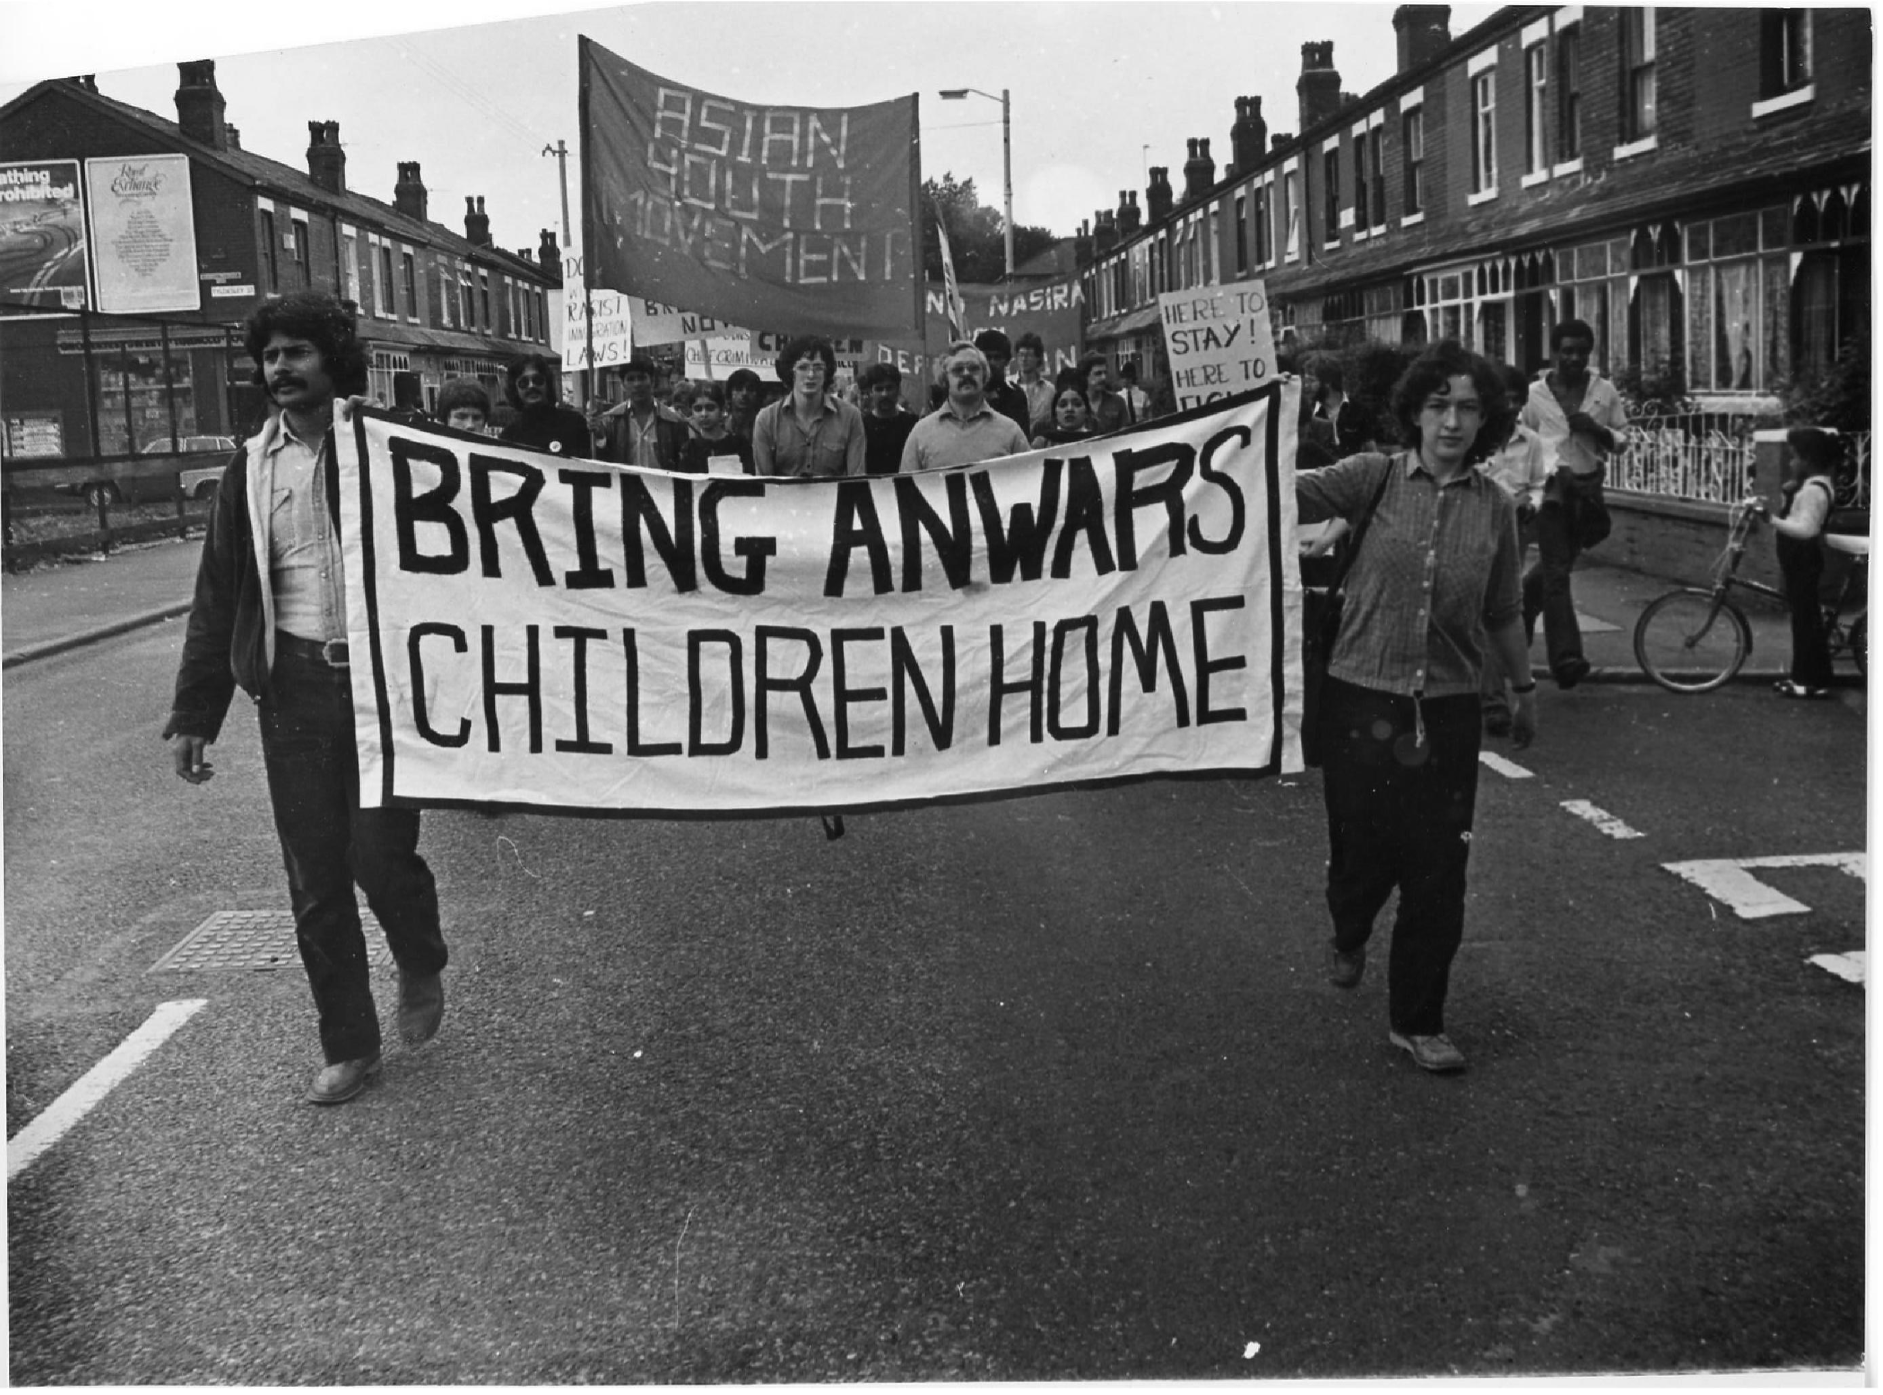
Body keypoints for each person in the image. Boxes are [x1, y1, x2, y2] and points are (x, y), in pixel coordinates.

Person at [163, 291, 449, 1106]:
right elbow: (219, 593)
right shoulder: (250, 469)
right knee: (315, 877)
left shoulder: (389, 447)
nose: (280, 368)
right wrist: (195, 715)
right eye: (270, 356)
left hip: (380, 685)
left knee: (379, 858)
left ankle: (420, 956)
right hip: (292, 687)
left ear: (333, 359)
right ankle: (350, 1045)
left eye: (297, 352)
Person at [1295, 339, 1534, 1075]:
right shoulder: (1369, 477)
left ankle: (1418, 1020)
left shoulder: (1495, 508)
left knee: (1438, 869)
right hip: (1361, 700)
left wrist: (1522, 689)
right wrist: (1257, 421)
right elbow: (1277, 491)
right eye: (1438, 405)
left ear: (1487, 420)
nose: (1452, 422)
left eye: (1468, 408)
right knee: (1362, 853)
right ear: (1415, 412)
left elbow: (1503, 611)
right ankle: (1349, 927)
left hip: (1448, 710)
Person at [1520, 319, 1629, 689]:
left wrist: (1596, 429)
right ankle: (1566, 658)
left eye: (1582, 351)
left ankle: (1521, 612)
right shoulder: (1534, 394)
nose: (1574, 358)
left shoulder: (1604, 391)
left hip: (1587, 491)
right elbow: (1521, 440)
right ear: (1555, 352)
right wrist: (1549, 469)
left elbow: (1622, 440)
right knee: (1556, 571)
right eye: (1567, 351)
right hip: (1551, 492)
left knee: (1559, 566)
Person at [1476, 362, 1550, 734]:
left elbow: (1538, 483)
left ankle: (1493, 691)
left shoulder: (1531, 442)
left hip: (1514, 532)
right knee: (1486, 611)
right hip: (1476, 528)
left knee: (1502, 609)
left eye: (1516, 400)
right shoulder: (1477, 439)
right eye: (1503, 399)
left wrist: (1533, 503)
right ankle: (1493, 702)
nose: (1510, 407)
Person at [1762, 427, 1843, 698]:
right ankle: (1803, 677)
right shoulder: (1811, 487)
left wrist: (1770, 519)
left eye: (1794, 457)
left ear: (1808, 460)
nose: (1791, 462)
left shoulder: (1814, 491)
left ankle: (1810, 680)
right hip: (1800, 560)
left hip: (1803, 560)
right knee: (1803, 620)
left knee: (1806, 622)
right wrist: (1790, 493)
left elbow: (1806, 529)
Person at [901, 341, 1031, 473]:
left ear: (984, 375)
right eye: (958, 370)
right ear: (945, 378)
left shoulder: (1010, 432)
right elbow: (905, 485)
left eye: (974, 368)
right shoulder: (921, 434)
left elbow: (1030, 480)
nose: (966, 374)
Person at [751, 335, 867, 478]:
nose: (811, 375)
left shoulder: (850, 417)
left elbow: (856, 479)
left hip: (834, 492)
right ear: (791, 371)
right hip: (781, 493)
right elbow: (764, 483)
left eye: (818, 368)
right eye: (803, 367)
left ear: (826, 372)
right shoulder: (766, 420)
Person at [590, 356, 688, 470]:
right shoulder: (611, 421)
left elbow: (683, 465)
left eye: (641, 378)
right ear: (622, 385)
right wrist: (600, 438)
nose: (637, 384)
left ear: (652, 381)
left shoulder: (674, 421)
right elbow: (603, 464)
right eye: (631, 379)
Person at [498, 354, 589, 457]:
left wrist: (600, 438)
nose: (531, 386)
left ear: (547, 384)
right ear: (515, 390)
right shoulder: (509, 437)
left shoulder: (575, 423)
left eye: (537, 380)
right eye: (523, 382)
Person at [678, 380, 754, 475]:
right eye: (698, 409)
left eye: (710, 408)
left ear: (722, 409)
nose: (704, 414)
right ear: (692, 412)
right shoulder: (690, 449)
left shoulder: (740, 445)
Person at [858, 361, 917, 475]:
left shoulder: (913, 424)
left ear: (898, 390)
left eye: (889, 388)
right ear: (871, 392)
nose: (885, 394)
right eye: (879, 389)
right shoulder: (861, 426)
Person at [1309, 358, 1375, 459]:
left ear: (1327, 383)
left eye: (1312, 381)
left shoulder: (1358, 409)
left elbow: (1371, 449)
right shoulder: (1309, 410)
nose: (1307, 385)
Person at [973, 328, 1033, 438]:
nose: (992, 363)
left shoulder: (1016, 396)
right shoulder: (967, 394)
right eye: (987, 357)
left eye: (997, 358)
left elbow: (1022, 440)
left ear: (1007, 361)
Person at [1012, 331, 1056, 439]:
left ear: (1038, 358)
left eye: (1029, 355)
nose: (1024, 359)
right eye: (1021, 355)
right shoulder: (1009, 386)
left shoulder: (1050, 390)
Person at [1031, 382, 1095, 449]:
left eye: (1077, 404)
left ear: (1087, 412)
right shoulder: (1042, 443)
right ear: (1055, 413)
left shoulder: (1097, 441)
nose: (1069, 409)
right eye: (1063, 405)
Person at [1080, 354, 1133, 434]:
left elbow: (1126, 434)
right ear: (1085, 376)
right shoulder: (1076, 403)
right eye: (1098, 373)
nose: (1103, 377)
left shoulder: (1117, 402)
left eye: (1105, 373)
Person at [725, 368, 765, 442]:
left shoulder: (765, 428)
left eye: (750, 389)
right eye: (738, 389)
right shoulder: (720, 428)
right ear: (730, 393)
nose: (744, 393)